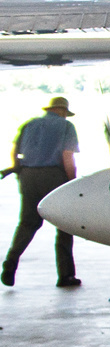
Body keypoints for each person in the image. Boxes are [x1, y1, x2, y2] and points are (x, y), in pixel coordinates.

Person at [4, 96, 81, 288]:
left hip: (28, 175)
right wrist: (72, 182)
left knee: (28, 223)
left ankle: (11, 261)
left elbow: (14, 150)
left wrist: (17, 169)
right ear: (63, 112)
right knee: (64, 225)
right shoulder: (66, 127)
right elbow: (67, 156)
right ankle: (65, 276)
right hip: (54, 177)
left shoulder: (29, 124)